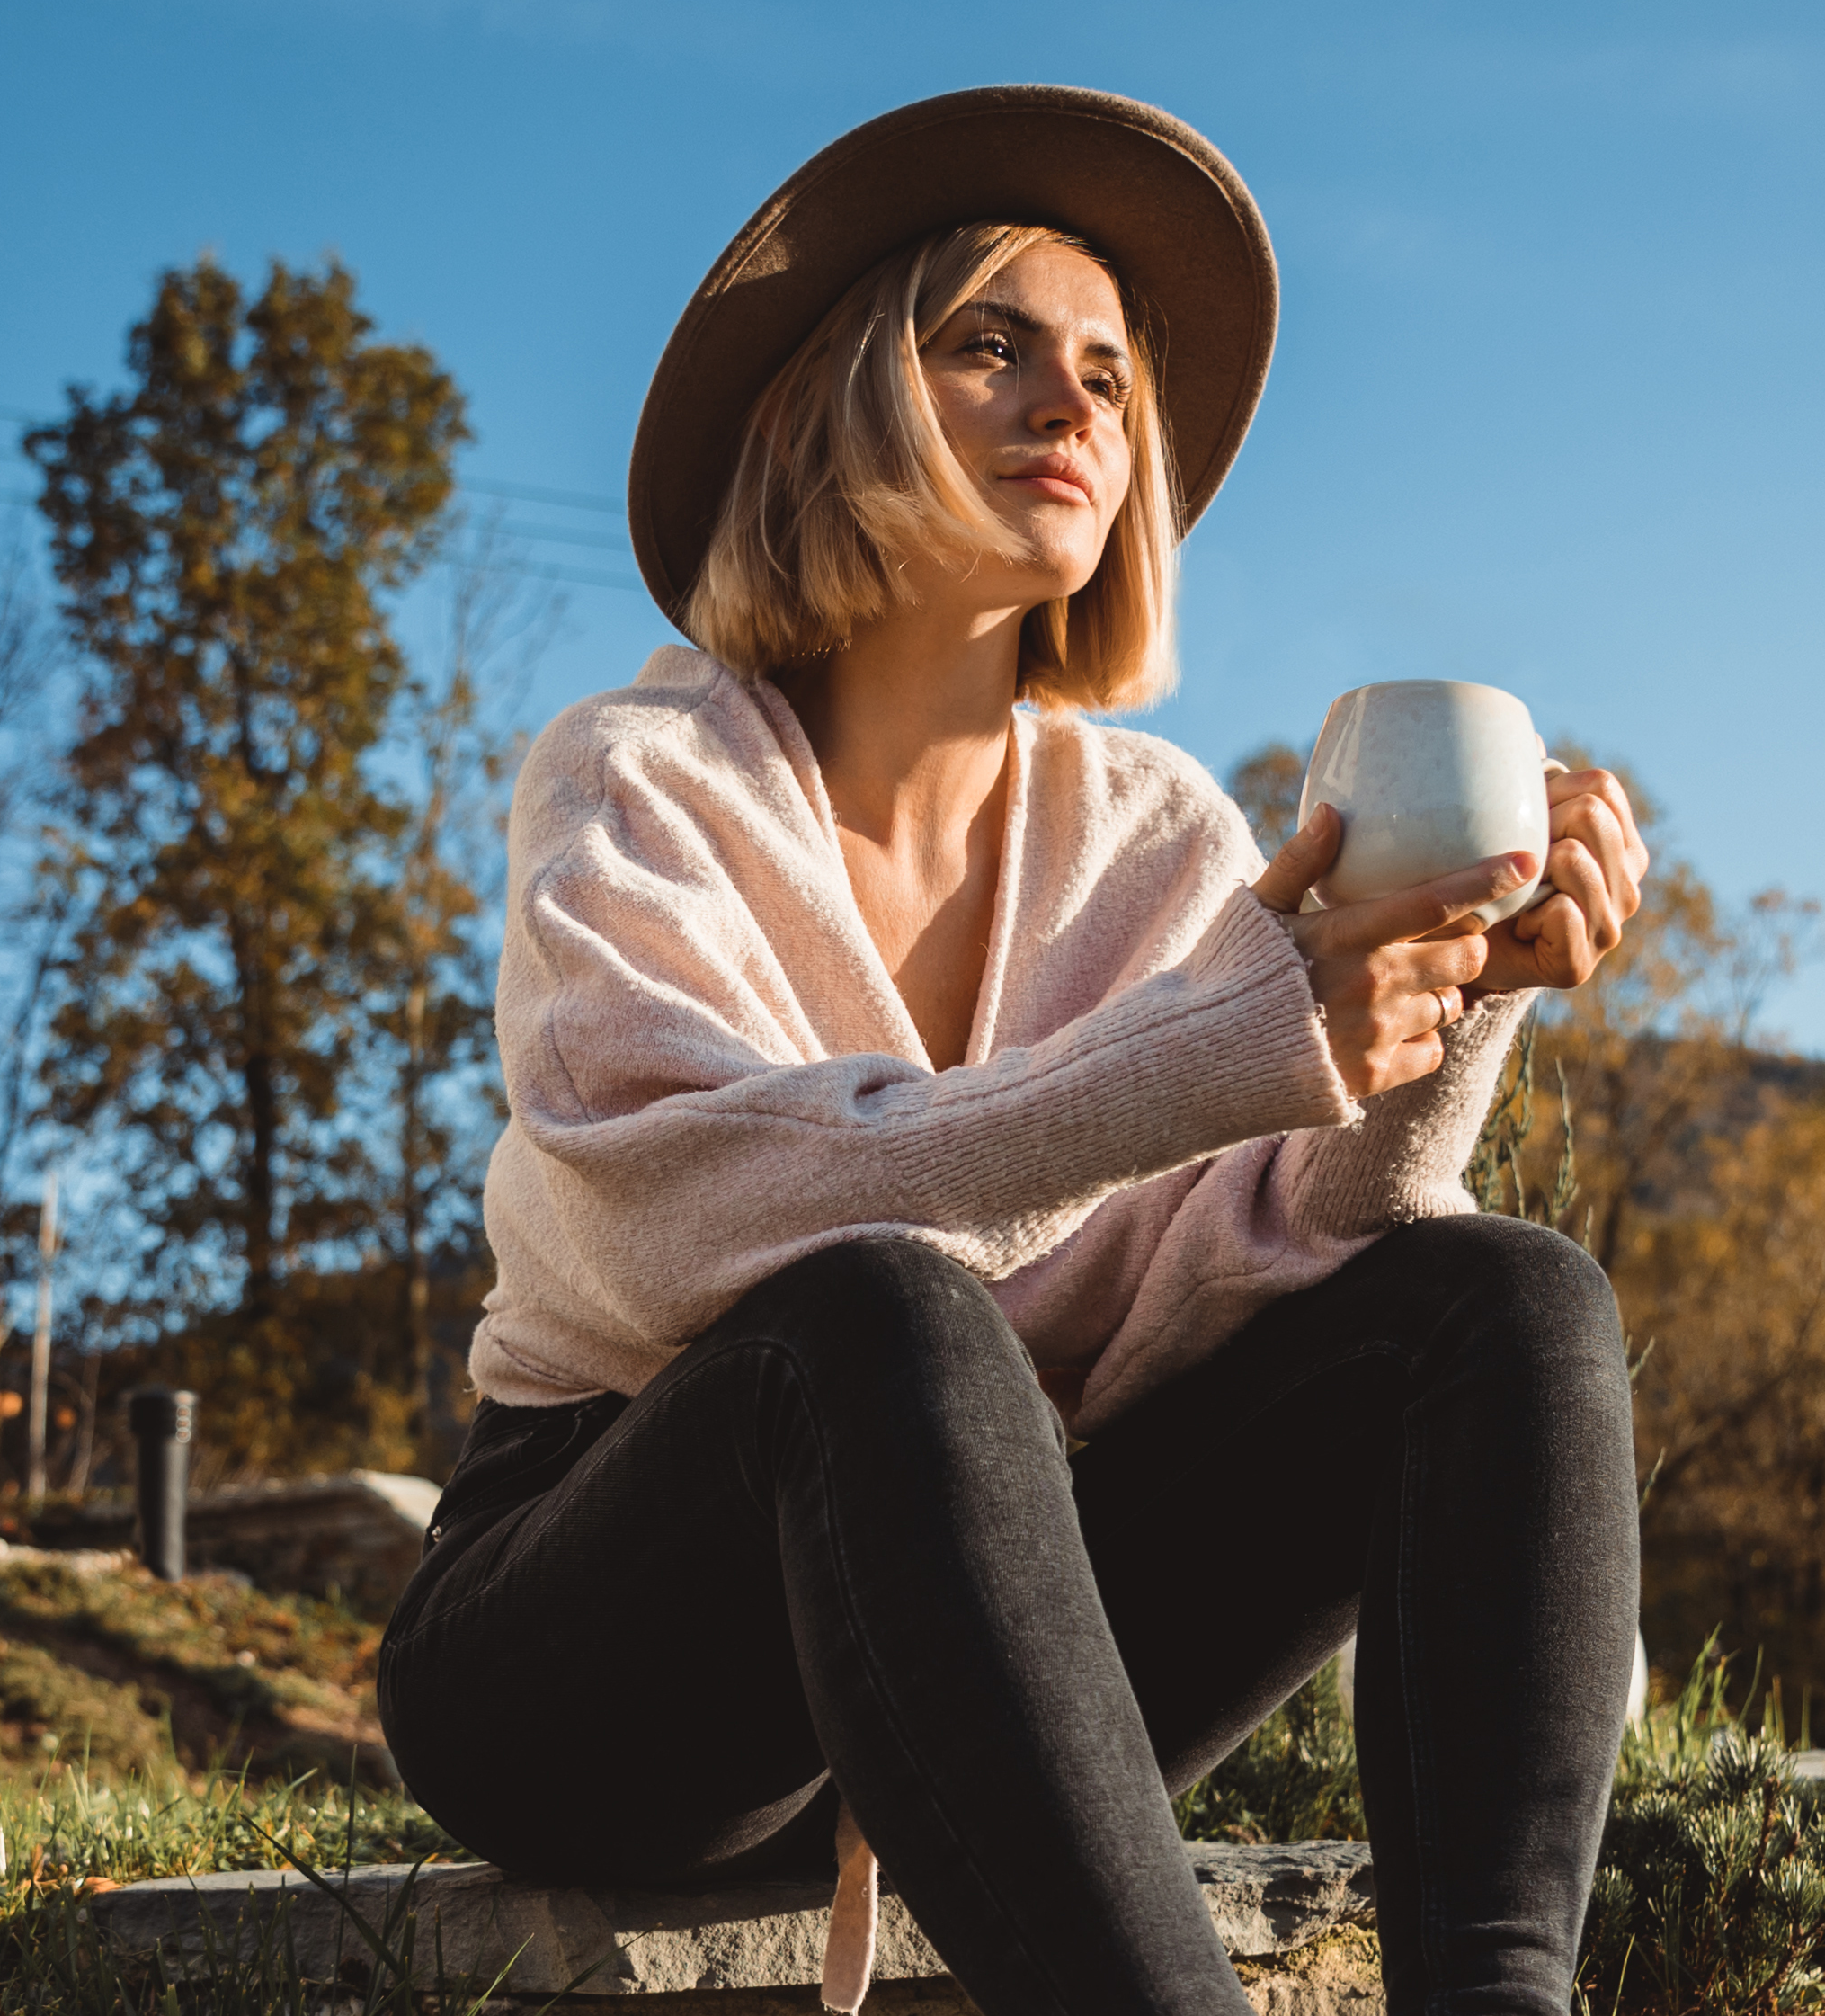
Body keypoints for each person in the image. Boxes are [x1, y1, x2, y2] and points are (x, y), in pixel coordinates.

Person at [374, 87, 1653, 2016]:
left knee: (1500, 1295)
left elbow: (1275, 1247)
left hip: (998, 1650)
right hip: (607, 1662)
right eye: (989, 345)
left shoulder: (1155, 837)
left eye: (1106, 375)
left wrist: (1449, 1000)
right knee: (875, 1314)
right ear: (839, 400)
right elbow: (672, 1217)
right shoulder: (635, 779)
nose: (1070, 403)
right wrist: (1224, 1042)